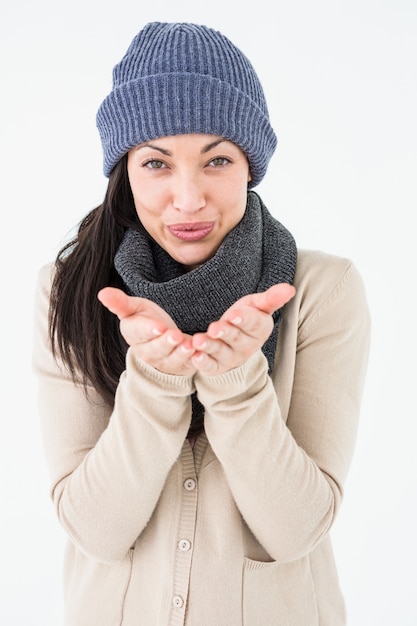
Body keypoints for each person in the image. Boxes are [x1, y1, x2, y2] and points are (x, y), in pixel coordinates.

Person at [33, 21, 370, 626]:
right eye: (157, 163)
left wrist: (238, 381)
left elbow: (298, 530)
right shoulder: (74, 292)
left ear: (250, 164)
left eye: (216, 159)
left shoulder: (321, 291)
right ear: (124, 171)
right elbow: (94, 529)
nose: (187, 199)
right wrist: (158, 380)